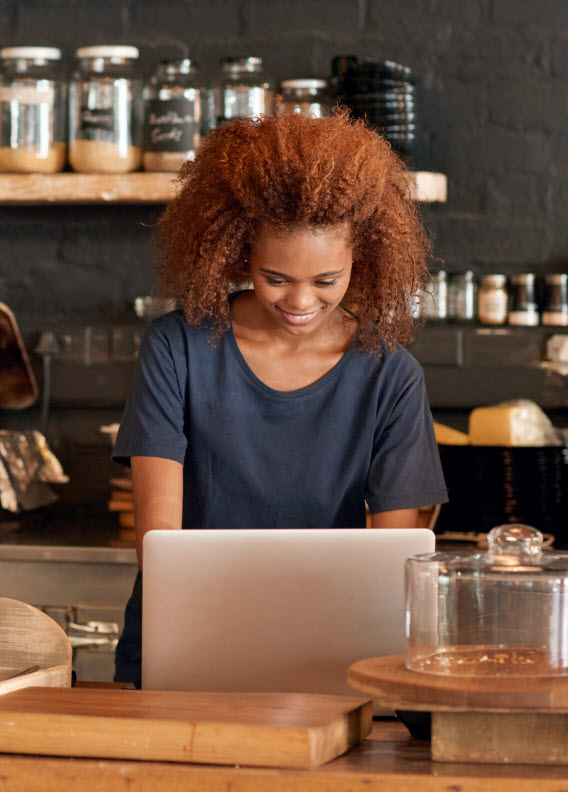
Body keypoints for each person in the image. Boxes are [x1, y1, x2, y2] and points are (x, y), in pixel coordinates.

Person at [112, 109, 448, 687]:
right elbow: (159, 546)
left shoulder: (391, 376)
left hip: (332, 658)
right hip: (180, 649)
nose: (300, 302)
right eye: (275, 278)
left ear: (361, 261)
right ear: (240, 253)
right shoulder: (177, 348)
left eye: (325, 281)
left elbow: (393, 570)